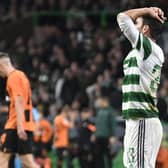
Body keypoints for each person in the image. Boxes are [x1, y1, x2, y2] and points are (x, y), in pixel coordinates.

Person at [117, 7, 167, 168]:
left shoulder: (148, 48)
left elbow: (122, 18)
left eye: (137, 22)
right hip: (137, 120)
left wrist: (146, 11)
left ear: (145, 29)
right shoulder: (143, 50)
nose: (133, 23)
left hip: (142, 120)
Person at [0, 52, 39, 168]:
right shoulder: (19, 76)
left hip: (16, 125)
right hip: (20, 124)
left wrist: (20, 127)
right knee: (25, 161)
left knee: (7, 158)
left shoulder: (14, 77)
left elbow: (19, 101)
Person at [93, 96, 116, 168]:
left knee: (108, 155)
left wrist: (112, 135)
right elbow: (97, 124)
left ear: (106, 102)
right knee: (98, 155)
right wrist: (95, 133)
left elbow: (112, 124)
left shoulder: (110, 111)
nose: (100, 103)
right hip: (98, 136)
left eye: (101, 102)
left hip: (106, 136)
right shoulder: (99, 111)